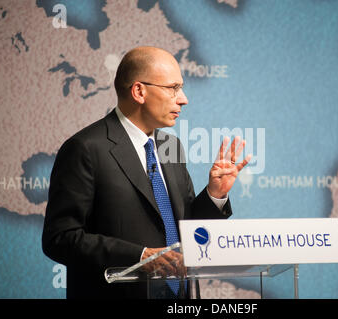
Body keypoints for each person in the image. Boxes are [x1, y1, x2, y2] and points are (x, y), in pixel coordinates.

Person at [42, 46, 250, 299]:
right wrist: (139, 257)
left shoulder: (170, 146)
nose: (183, 99)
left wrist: (215, 195)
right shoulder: (85, 148)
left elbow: (186, 229)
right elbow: (61, 238)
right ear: (139, 91)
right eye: (173, 88)